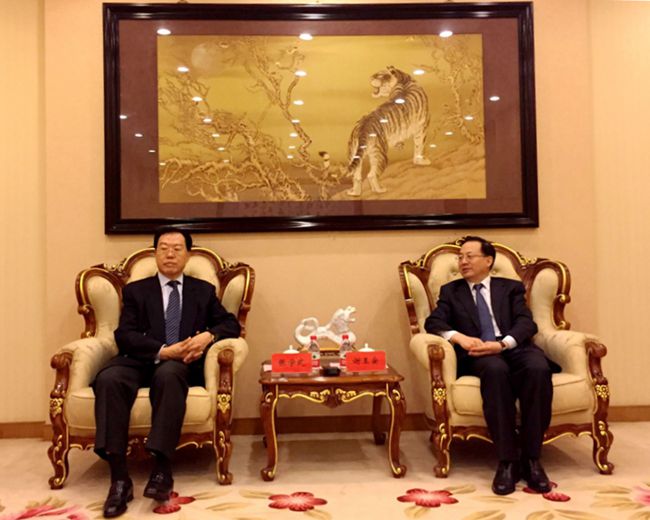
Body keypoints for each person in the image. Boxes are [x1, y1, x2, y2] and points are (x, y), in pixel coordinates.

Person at [93, 227, 241, 517]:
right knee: (108, 378)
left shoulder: (202, 291)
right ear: (155, 253)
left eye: (176, 249)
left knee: (170, 374)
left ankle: (162, 470)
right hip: (140, 359)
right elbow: (125, 335)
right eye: (163, 248)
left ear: (188, 255)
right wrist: (162, 350)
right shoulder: (136, 291)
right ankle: (119, 479)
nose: (170, 254)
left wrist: (208, 336)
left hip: (179, 365)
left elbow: (230, 324)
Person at [424, 236, 553, 495]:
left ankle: (532, 459)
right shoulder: (451, 291)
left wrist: (503, 344)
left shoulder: (511, 288)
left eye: (469, 256)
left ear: (488, 260)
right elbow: (433, 322)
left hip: (512, 346)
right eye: (460, 257)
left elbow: (526, 323)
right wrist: (458, 337)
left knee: (538, 368)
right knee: (495, 370)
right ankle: (507, 461)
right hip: (478, 352)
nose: (463, 261)